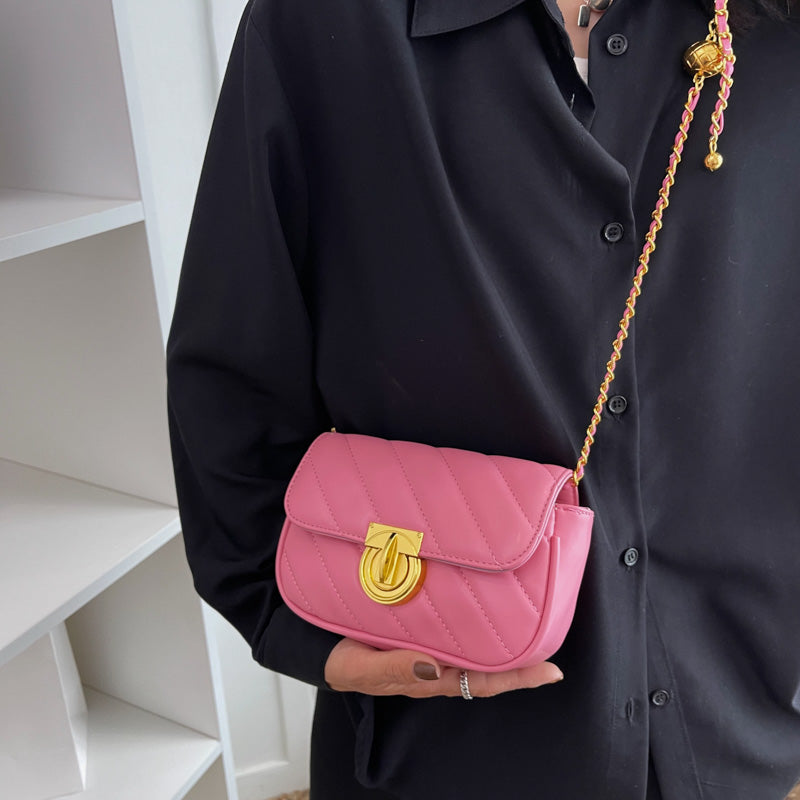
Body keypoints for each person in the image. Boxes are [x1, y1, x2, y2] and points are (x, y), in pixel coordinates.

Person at [165, 0, 800, 797]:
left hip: (741, 723)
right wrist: (289, 620)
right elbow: (233, 364)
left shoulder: (780, 36)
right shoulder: (325, 25)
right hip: (444, 737)